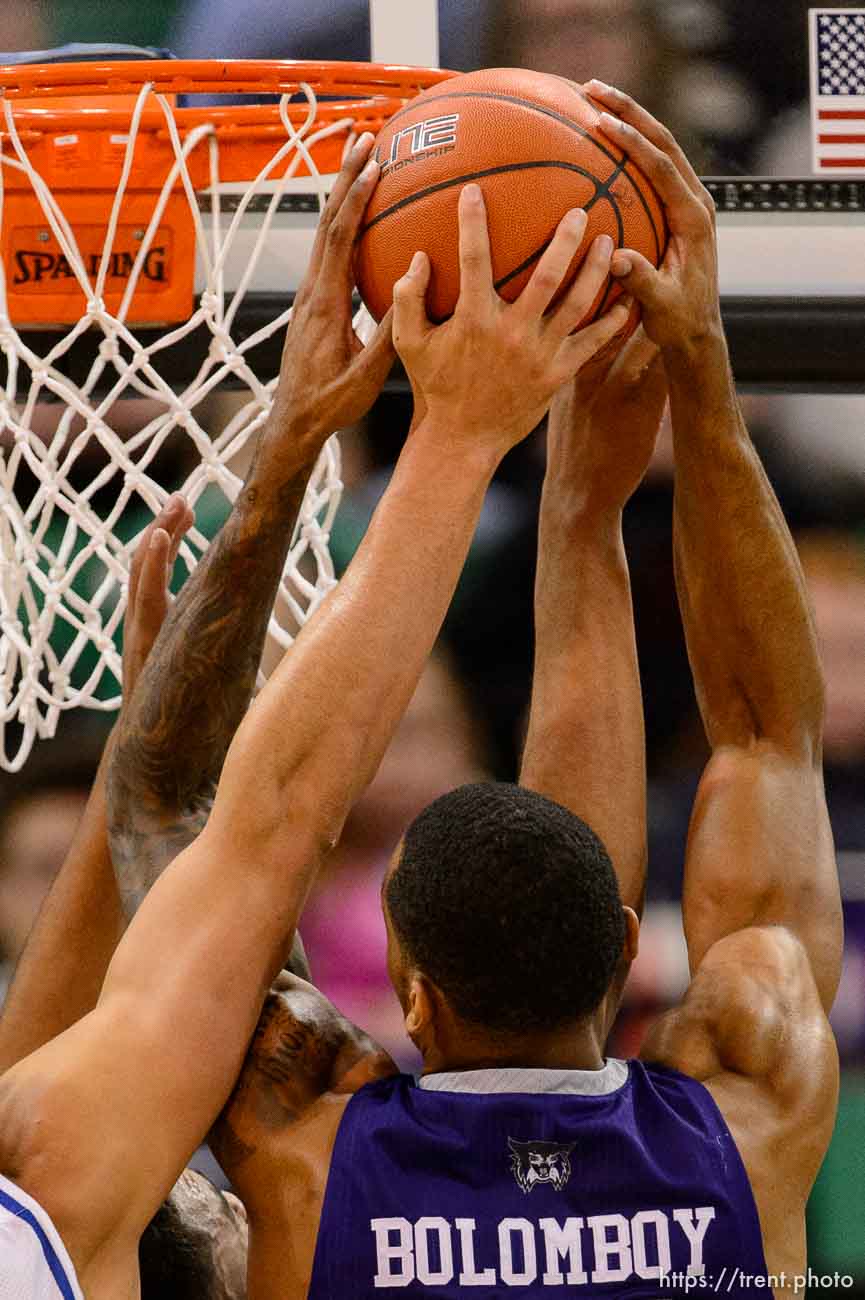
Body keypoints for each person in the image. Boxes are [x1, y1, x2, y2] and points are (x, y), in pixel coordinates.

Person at [149, 92, 837, 1298]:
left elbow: (230, 854)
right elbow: (766, 738)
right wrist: (699, 386)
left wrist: (174, 711)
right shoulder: (751, 1123)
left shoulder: (307, 1153)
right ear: (629, 947)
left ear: (407, 994)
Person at [0, 129, 626, 1297]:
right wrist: (345, 441)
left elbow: (231, 822)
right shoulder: (48, 1173)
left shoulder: (153, 1173)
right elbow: (232, 823)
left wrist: (436, 439)